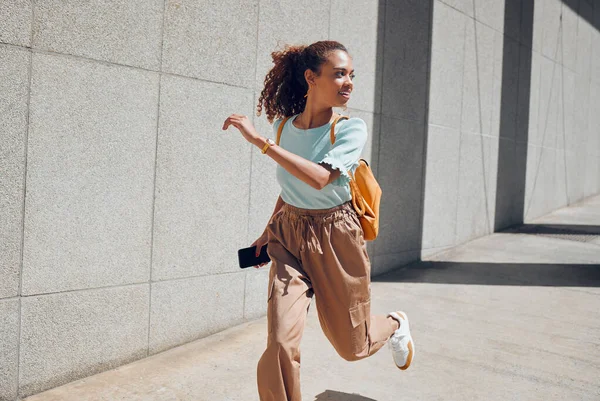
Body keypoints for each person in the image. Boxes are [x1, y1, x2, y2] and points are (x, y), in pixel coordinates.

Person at [222, 40, 414, 401]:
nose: (349, 82)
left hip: (336, 238)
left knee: (352, 347)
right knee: (279, 341)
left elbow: (320, 178)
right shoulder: (283, 128)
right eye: (339, 73)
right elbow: (292, 187)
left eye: (351, 75)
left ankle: (395, 324)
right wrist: (268, 229)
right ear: (311, 77)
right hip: (288, 236)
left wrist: (261, 143)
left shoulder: (348, 130)